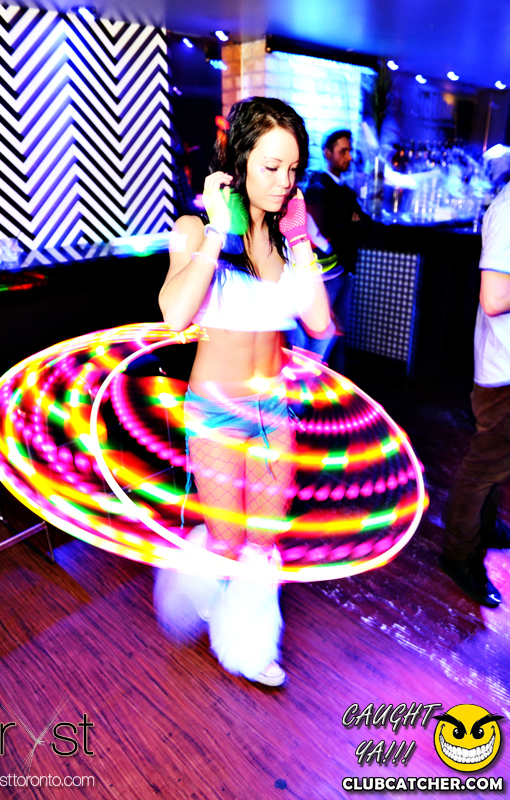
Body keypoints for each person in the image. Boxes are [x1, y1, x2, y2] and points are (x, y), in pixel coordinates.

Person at [157, 97, 331, 686]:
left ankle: (250, 649)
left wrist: (301, 242)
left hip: (272, 408)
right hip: (216, 411)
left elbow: (319, 323)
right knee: (228, 537)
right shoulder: (194, 228)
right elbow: (175, 314)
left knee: (264, 538)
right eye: (271, 167)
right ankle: (202, 581)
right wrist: (216, 231)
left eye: (293, 168)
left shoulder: (288, 236)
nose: (285, 182)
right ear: (238, 162)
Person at [439, 177, 510, 607]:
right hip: (503, 370)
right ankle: (460, 554)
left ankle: (485, 527)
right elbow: (494, 298)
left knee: (498, 460)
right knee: (485, 464)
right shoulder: (508, 207)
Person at [294, 129, 372, 371]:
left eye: (349, 151)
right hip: (327, 272)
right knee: (322, 333)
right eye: (343, 151)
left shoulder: (343, 190)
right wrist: (350, 224)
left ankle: (332, 386)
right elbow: (330, 229)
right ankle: (312, 385)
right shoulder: (319, 189)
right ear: (327, 153)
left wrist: (349, 225)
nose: (349, 157)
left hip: (342, 269)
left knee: (336, 334)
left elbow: (364, 226)